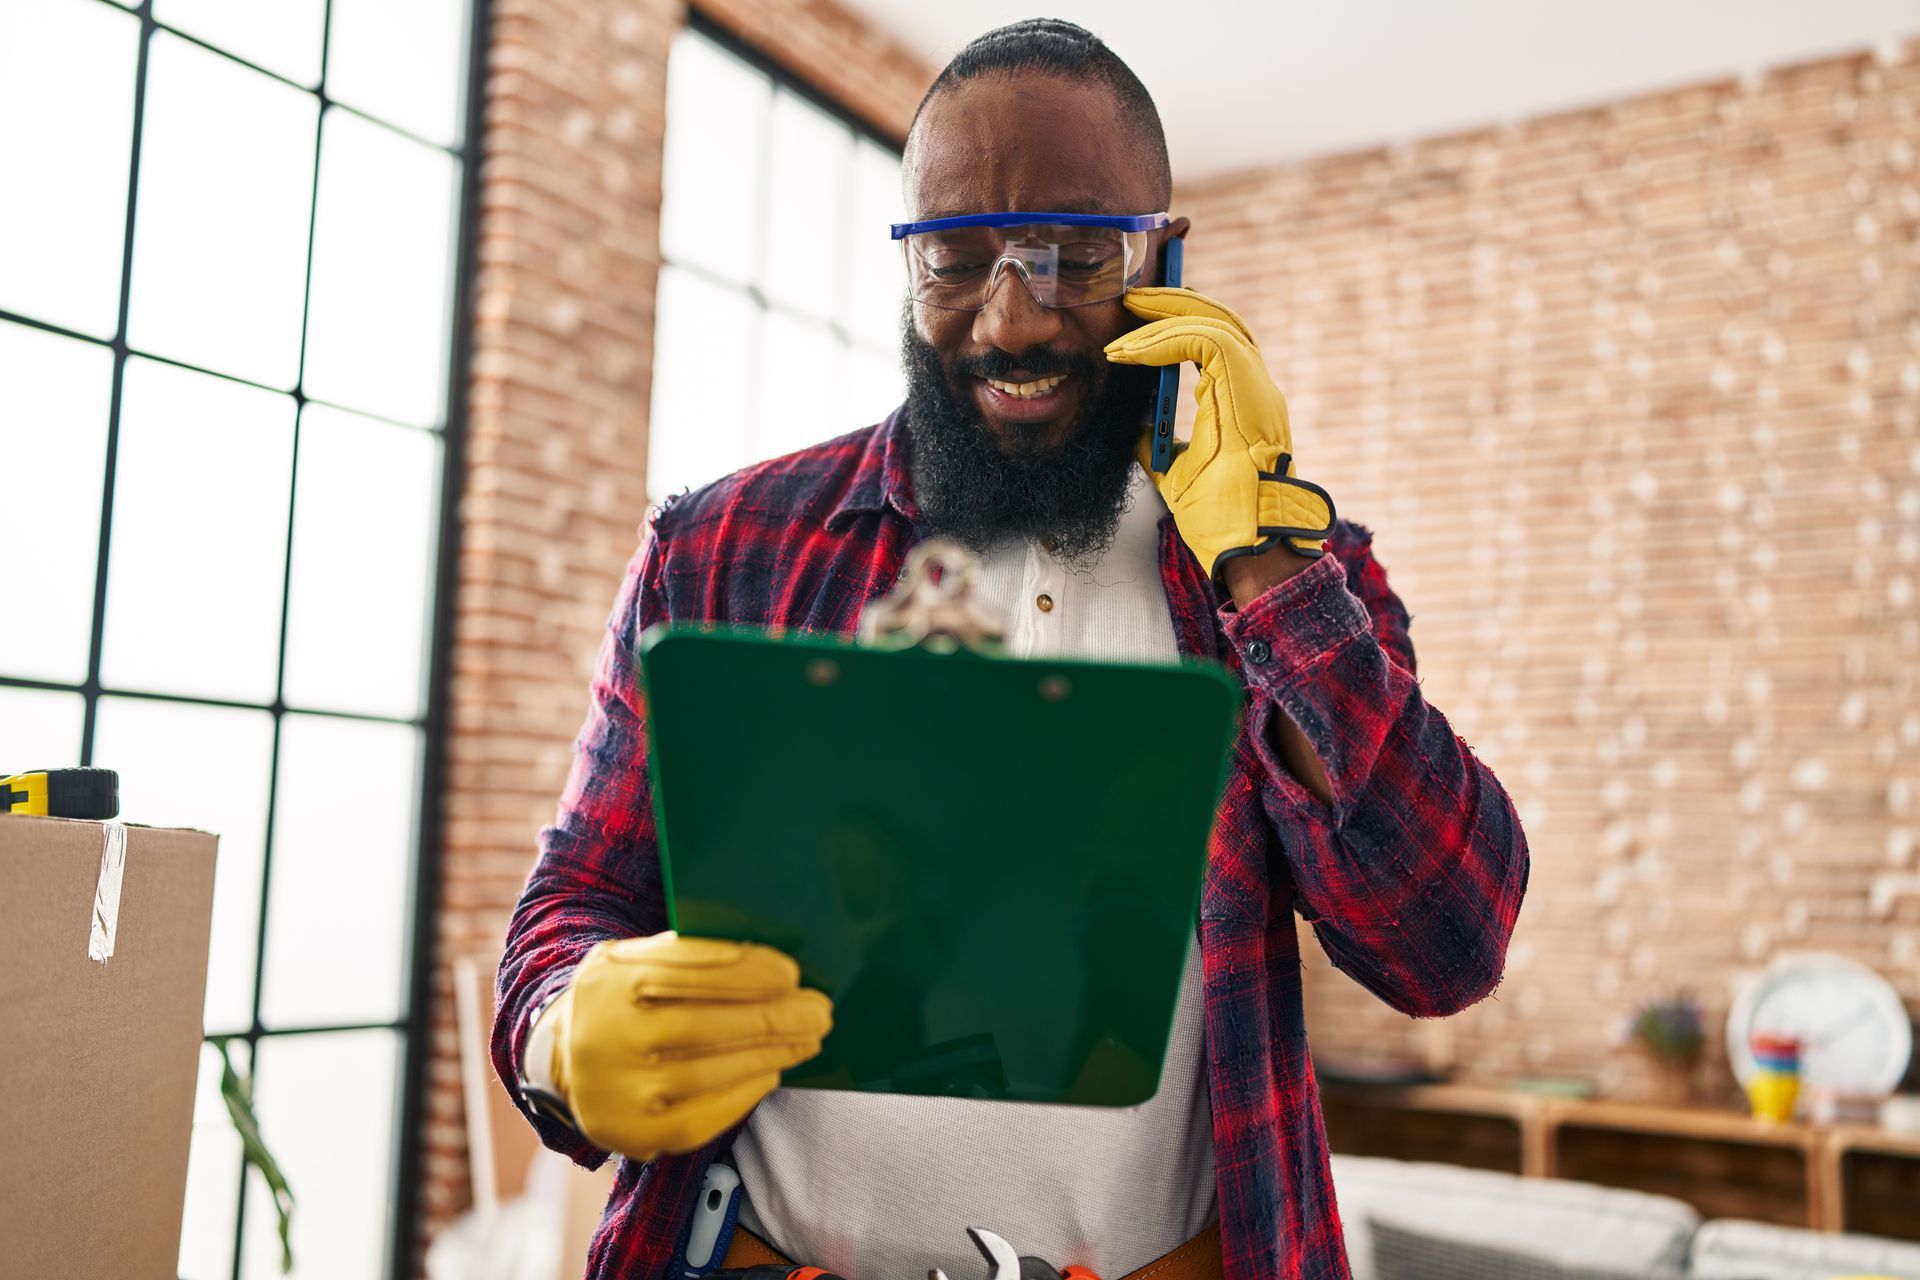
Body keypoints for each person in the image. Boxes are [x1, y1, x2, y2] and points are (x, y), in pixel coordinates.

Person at [492, 19, 1529, 1280]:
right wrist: (559, 1031)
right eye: (955, 259)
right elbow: (568, 907)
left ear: (1167, 259)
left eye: (1076, 255)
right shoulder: (716, 549)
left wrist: (1263, 568)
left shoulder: (1294, 585)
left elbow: (1448, 945)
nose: (1014, 316)